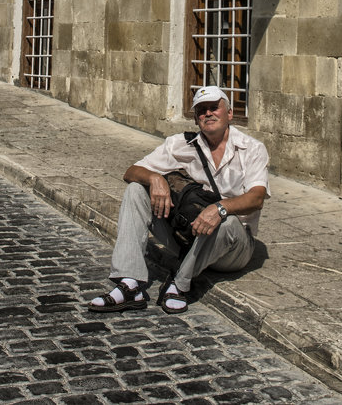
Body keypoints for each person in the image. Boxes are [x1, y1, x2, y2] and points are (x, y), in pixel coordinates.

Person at [89, 85, 270, 314]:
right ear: (195, 119)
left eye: (214, 107)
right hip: (189, 236)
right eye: (201, 110)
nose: (208, 114)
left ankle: (179, 284)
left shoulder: (252, 149)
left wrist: (220, 208)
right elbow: (131, 172)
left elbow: (256, 198)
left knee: (229, 221)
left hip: (232, 247)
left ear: (229, 113)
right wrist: (155, 179)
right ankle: (130, 284)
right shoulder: (181, 144)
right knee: (136, 189)